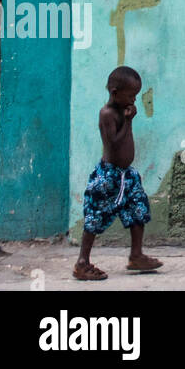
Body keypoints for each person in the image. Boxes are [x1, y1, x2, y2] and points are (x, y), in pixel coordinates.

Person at [72, 65, 163, 280]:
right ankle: (82, 262)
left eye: (136, 95)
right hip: (109, 176)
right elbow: (112, 144)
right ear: (115, 93)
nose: (133, 100)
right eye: (130, 95)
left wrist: (128, 118)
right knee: (96, 215)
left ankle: (136, 255)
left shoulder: (123, 110)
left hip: (127, 175)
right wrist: (129, 122)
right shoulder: (107, 114)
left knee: (138, 208)